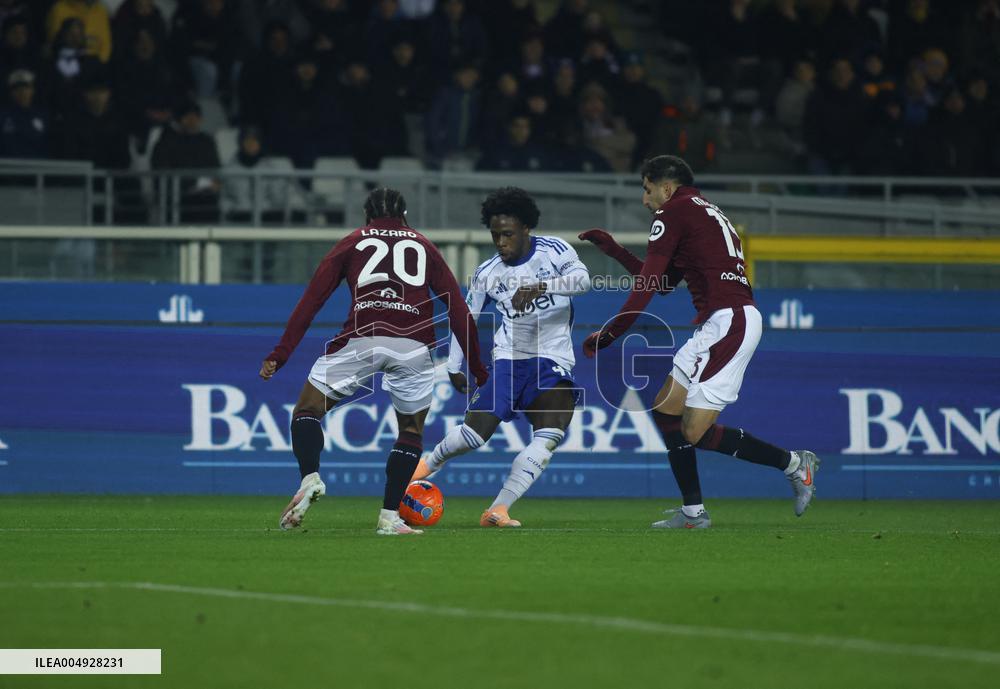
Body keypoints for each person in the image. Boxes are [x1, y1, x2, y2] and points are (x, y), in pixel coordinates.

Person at [579, 155, 819, 529]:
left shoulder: (672, 212)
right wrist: (610, 248)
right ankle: (693, 513)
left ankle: (793, 464)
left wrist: (610, 334)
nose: (645, 200)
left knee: (693, 431)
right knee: (665, 409)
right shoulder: (702, 211)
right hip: (721, 321)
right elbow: (662, 283)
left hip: (730, 321)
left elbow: (646, 288)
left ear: (667, 188)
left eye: (646, 190)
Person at [260, 188, 489, 536]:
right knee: (410, 432)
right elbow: (458, 309)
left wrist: (281, 353)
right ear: (405, 215)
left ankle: (310, 478)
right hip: (413, 347)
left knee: (307, 411)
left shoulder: (352, 241)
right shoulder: (424, 245)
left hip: (362, 339)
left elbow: (312, 300)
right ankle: (388, 518)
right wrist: (479, 370)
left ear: (367, 216)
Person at [410, 187, 591, 528]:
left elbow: (583, 281)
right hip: (509, 361)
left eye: (508, 234)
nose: (501, 242)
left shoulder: (555, 250)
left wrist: (540, 286)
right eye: (495, 235)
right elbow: (466, 319)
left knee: (549, 435)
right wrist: (453, 365)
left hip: (552, 361)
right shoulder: (487, 273)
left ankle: (498, 509)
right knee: (474, 436)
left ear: (526, 229)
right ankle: (420, 469)